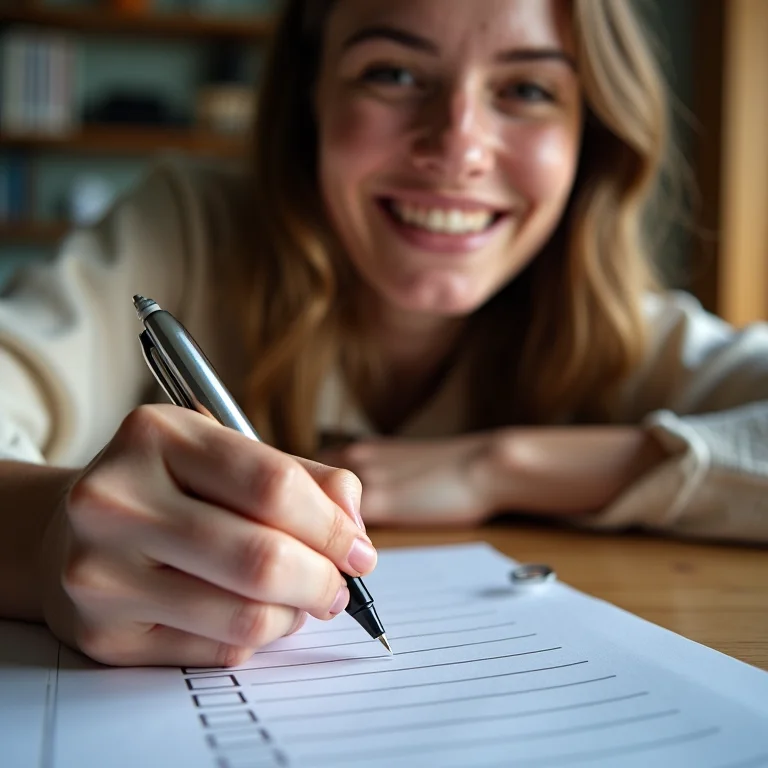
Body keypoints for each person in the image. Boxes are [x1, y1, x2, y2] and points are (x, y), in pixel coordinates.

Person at [2, 0, 768, 669]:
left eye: (528, 88)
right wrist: (41, 542)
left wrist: (498, 466)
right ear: (311, 92)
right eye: (394, 74)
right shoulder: (185, 233)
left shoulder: (619, 323)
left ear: (590, 132)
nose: (458, 147)